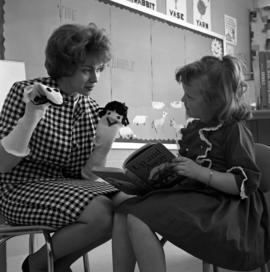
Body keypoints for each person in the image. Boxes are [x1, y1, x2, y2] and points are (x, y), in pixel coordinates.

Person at [112, 55, 270, 272]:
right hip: (195, 196)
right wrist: (167, 172)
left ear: (215, 101)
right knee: (122, 212)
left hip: (225, 208)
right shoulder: (195, 128)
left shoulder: (234, 130)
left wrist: (199, 172)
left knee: (138, 218)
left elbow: (243, 184)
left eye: (190, 96)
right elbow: (190, 170)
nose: (183, 100)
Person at [0, 23, 129, 272]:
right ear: (65, 66)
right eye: (86, 70)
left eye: (99, 69)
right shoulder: (26, 92)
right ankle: (37, 265)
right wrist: (31, 116)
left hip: (68, 189)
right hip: (19, 189)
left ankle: (52, 267)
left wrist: (104, 143)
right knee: (101, 212)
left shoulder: (92, 108)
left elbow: (86, 178)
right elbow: (3, 165)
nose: (96, 78)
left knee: (125, 203)